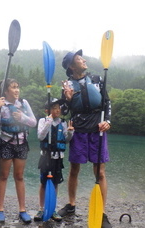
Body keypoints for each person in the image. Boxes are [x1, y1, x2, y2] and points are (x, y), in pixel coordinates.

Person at [58, 50, 112, 228]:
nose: (84, 60)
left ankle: (102, 212)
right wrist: (66, 100)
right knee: (74, 169)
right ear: (72, 66)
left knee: (100, 172)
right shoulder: (67, 85)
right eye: (79, 59)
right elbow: (63, 112)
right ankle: (72, 205)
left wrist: (108, 121)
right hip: (78, 130)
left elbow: (107, 102)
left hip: (97, 129)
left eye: (82, 58)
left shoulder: (97, 79)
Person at [0, 78, 37, 224]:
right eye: (13, 87)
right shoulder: (1, 105)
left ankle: (23, 210)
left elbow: (34, 122)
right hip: (6, 143)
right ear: (5, 91)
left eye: (17, 87)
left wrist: (22, 118)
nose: (16, 90)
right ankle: (0, 209)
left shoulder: (23, 103)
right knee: (3, 176)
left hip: (21, 143)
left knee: (19, 176)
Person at [34, 98, 74, 222]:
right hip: (46, 157)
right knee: (44, 183)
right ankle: (41, 208)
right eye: (54, 108)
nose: (57, 110)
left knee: (55, 183)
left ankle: (52, 209)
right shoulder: (43, 120)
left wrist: (70, 133)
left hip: (57, 158)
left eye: (58, 108)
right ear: (48, 110)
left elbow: (66, 140)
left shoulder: (63, 123)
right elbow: (40, 136)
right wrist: (48, 122)